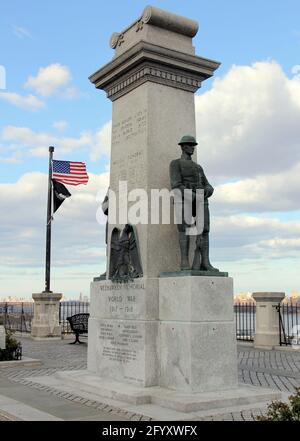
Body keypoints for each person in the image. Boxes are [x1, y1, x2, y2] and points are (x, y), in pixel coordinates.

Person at [169, 135, 219, 272]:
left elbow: (207, 184)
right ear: (183, 147)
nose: (193, 148)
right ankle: (184, 261)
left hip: (201, 200)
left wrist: (208, 189)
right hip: (184, 199)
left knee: (204, 230)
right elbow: (176, 184)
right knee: (184, 229)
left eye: (194, 145)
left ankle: (205, 262)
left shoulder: (198, 167)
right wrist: (193, 195)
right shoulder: (176, 164)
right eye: (190, 145)